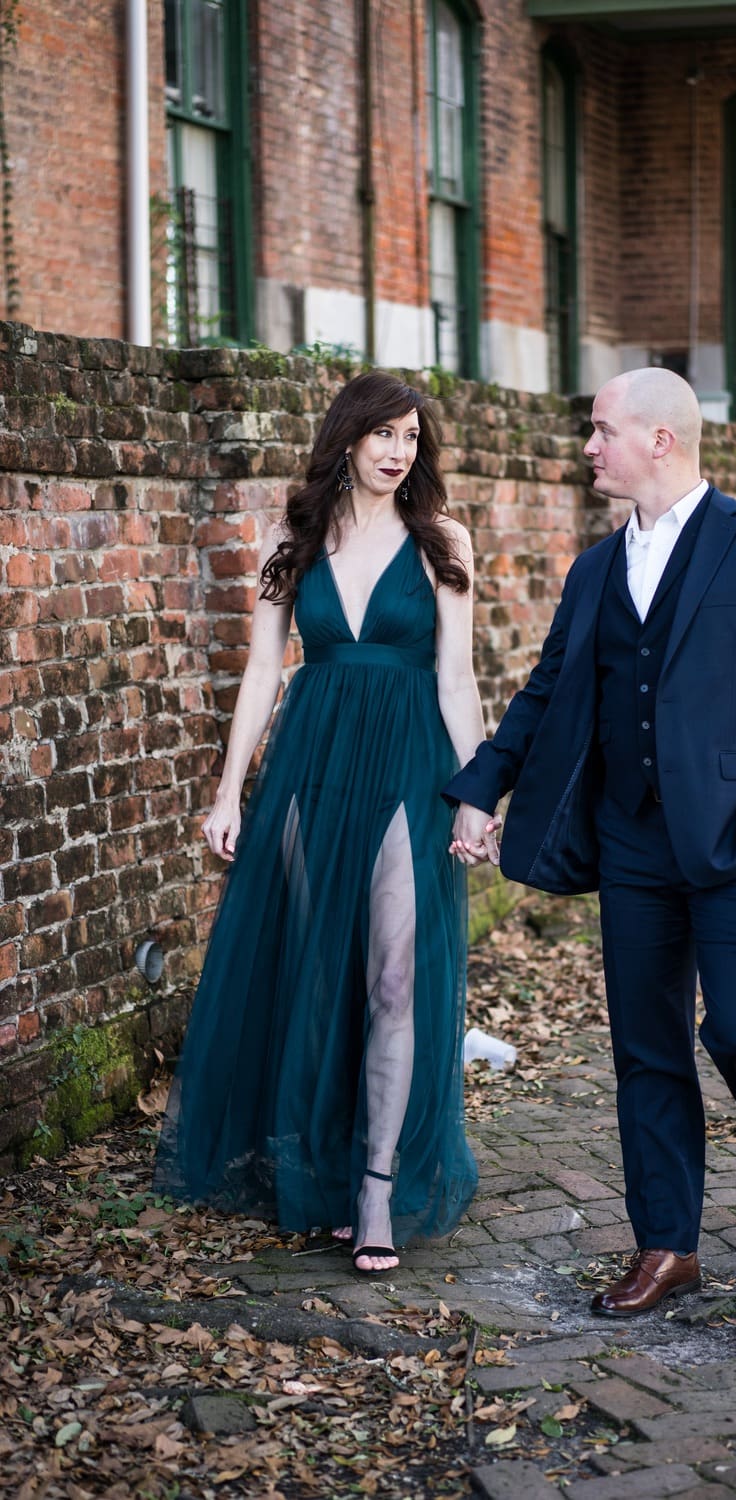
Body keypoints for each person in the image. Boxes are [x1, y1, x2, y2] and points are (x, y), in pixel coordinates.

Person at [447, 367, 736, 1316]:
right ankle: (667, 1244)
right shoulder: (593, 570)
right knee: (647, 1046)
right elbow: (546, 693)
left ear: (660, 440)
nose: (588, 446)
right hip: (630, 840)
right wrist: (480, 788)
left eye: (601, 430)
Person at [155, 370, 490, 1274]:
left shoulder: (441, 542)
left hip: (410, 767)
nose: (397, 452)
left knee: (392, 978)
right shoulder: (293, 539)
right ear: (347, 438)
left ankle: (376, 1190)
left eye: (412, 439)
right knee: (322, 970)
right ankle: (327, 1165)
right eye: (384, 434)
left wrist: (477, 791)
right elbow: (262, 674)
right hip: (313, 762)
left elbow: (457, 680)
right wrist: (230, 791)